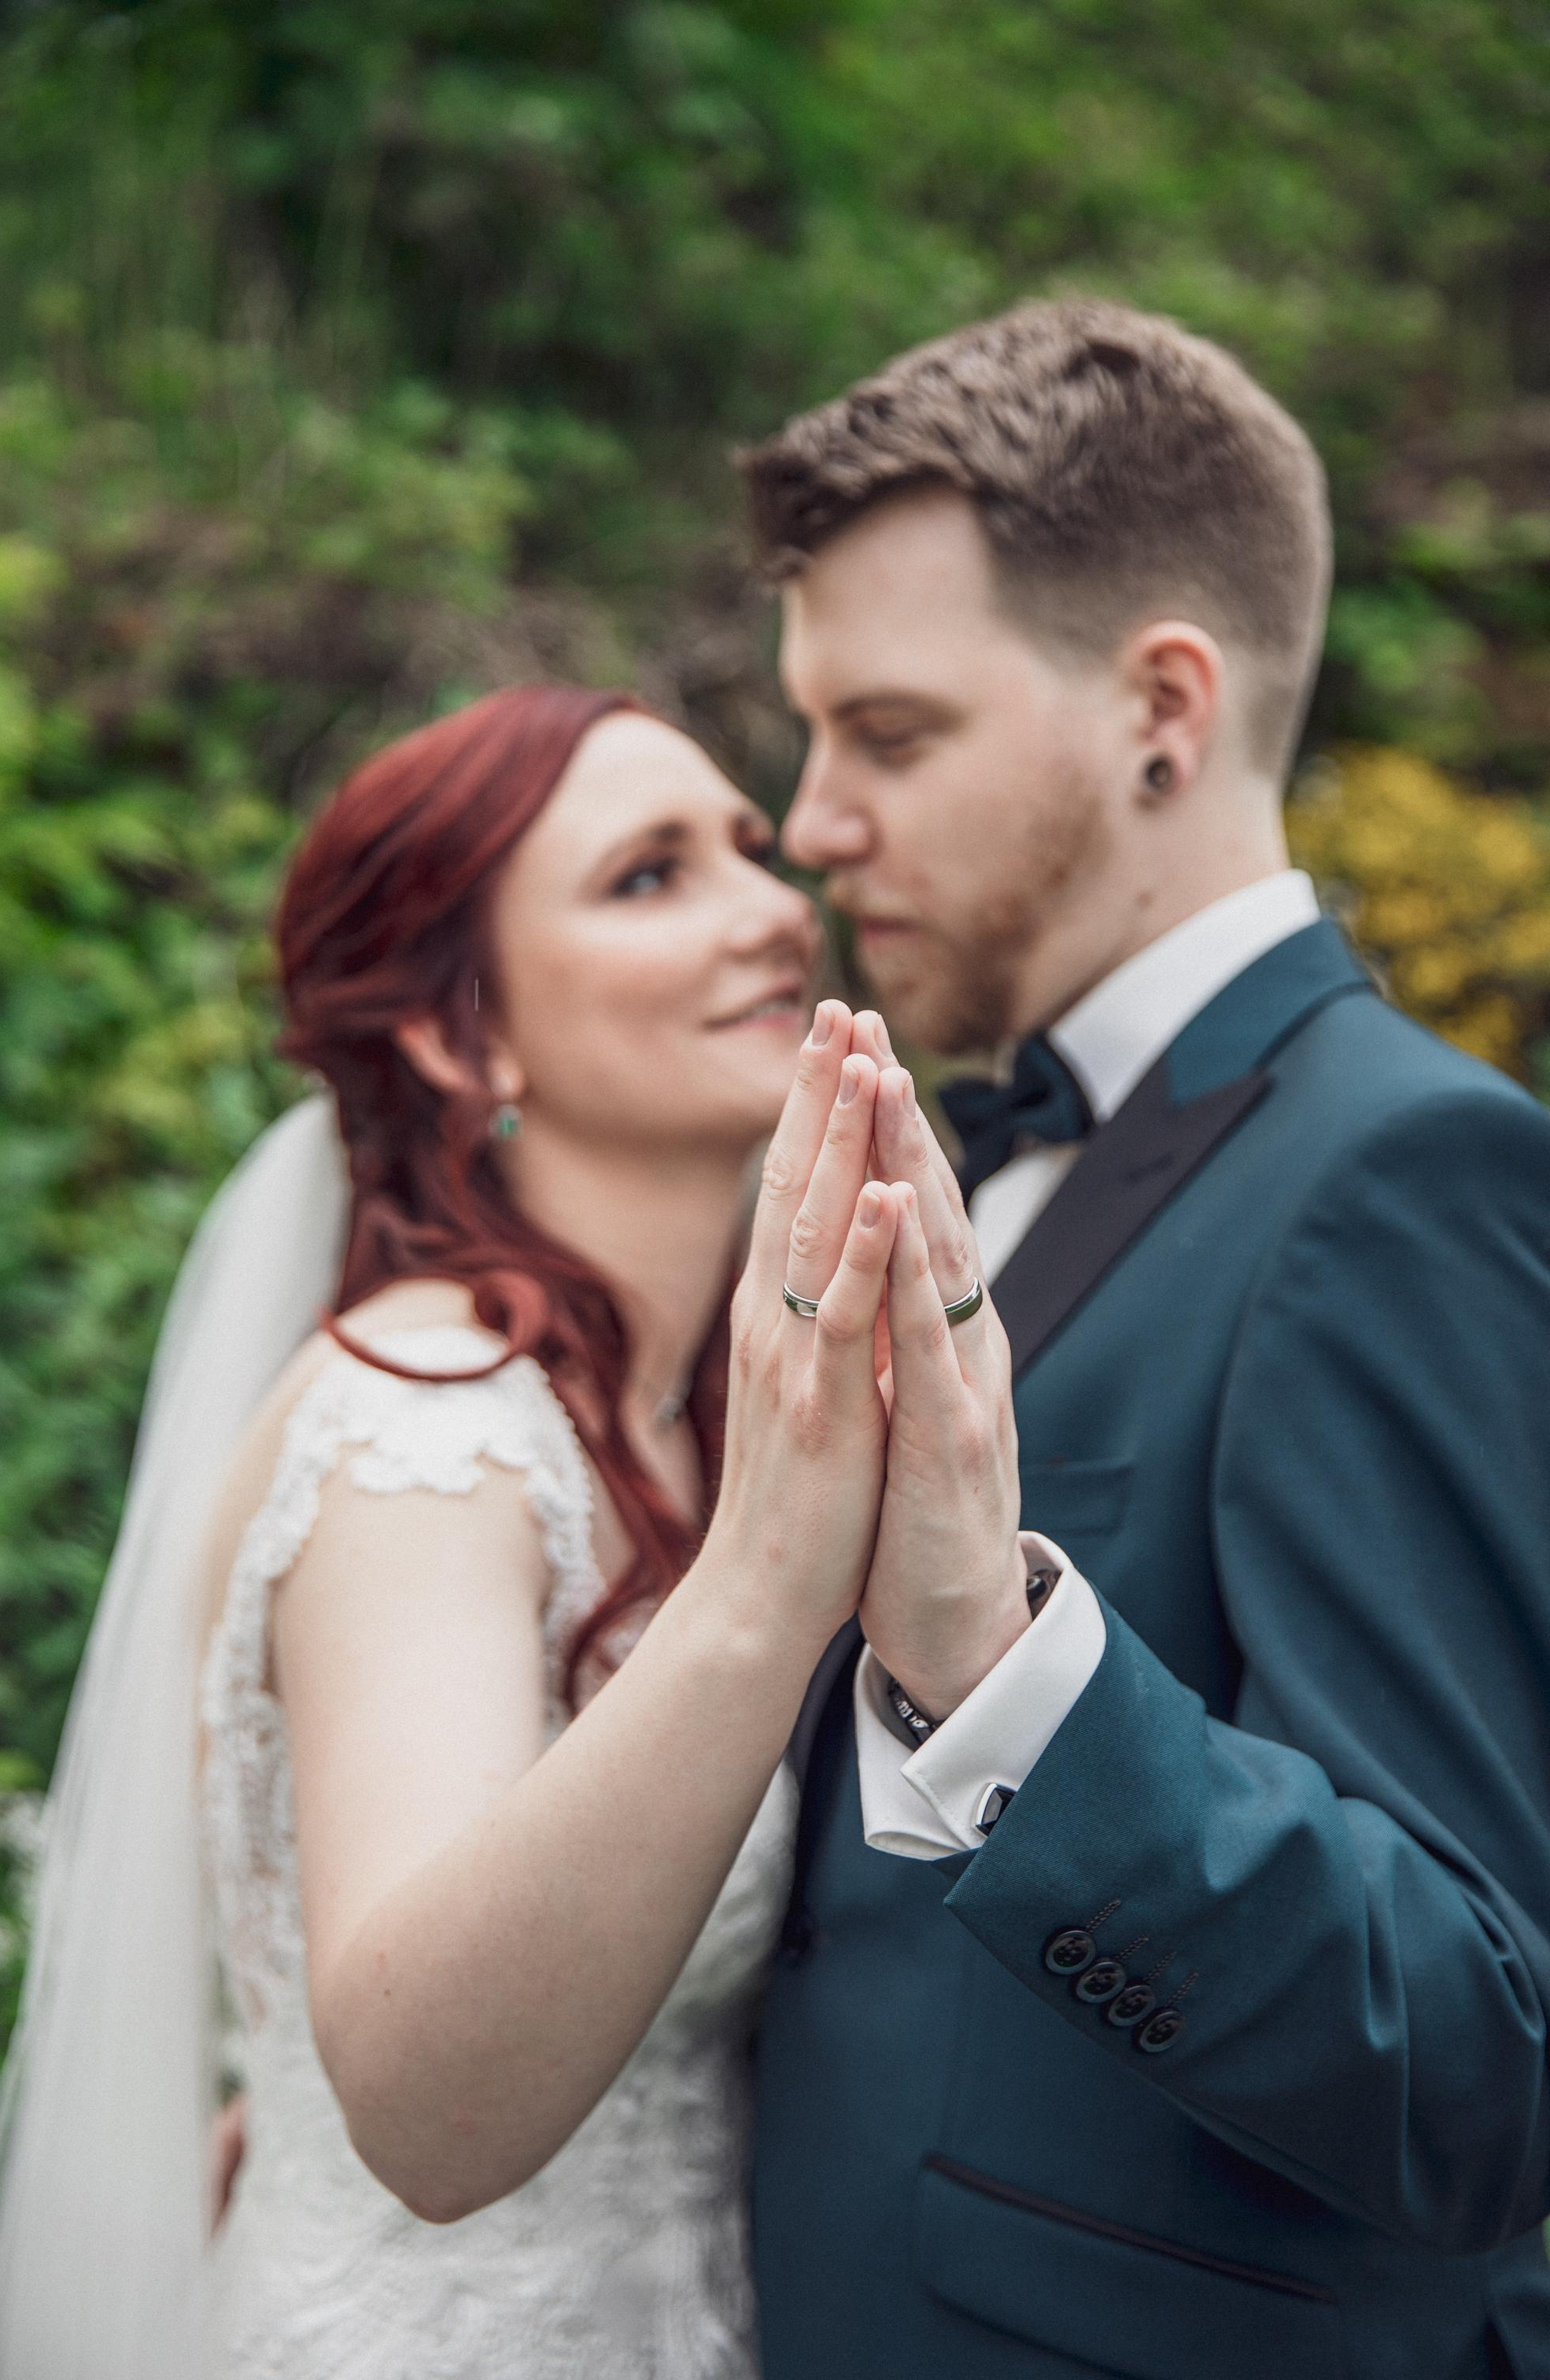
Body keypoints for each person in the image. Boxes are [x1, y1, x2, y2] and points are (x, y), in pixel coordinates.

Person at [0, 683, 1019, 2378]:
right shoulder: (426, 1435)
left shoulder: (669, 1427)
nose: (772, 911)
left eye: (748, 851)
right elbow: (426, 2112)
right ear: (467, 1042)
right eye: (649, 877)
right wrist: (766, 1581)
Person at [740, 300, 1550, 2378]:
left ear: (1162, 711)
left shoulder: (1407, 1174)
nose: (815, 821)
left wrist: (1005, 1673)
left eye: (891, 735)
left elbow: (1479, 2051)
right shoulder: (968, 1153)